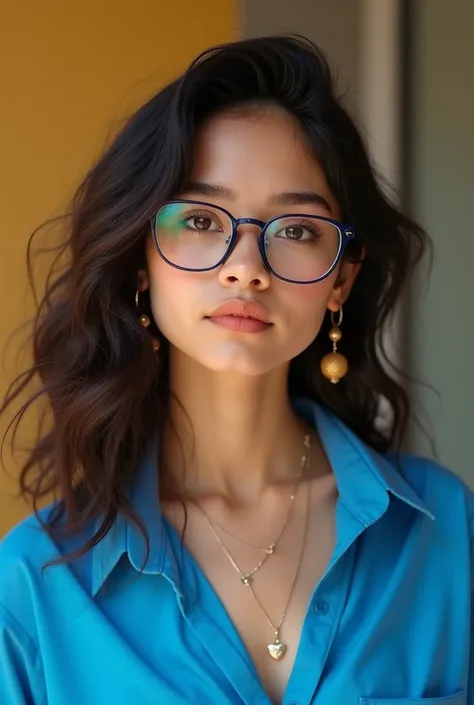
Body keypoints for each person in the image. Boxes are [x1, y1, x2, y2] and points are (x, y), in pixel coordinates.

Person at [0, 34, 470, 705]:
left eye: (298, 229)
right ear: (141, 259)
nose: (245, 265)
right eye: (198, 218)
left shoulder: (445, 533)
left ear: (341, 279)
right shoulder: (34, 589)